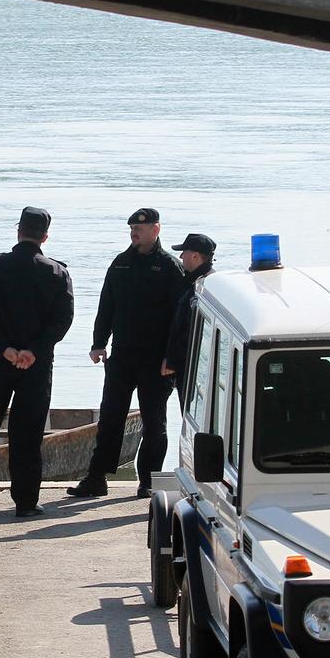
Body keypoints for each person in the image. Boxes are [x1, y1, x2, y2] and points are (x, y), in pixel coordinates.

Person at [0, 207, 74, 518]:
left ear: (18, 231)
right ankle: (25, 502)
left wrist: (4, 348)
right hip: (36, 365)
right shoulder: (57, 272)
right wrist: (34, 351)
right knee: (28, 433)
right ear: (45, 237)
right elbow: (62, 320)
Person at [68, 208, 185, 500]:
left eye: (141, 228)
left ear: (156, 230)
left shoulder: (170, 267)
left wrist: (171, 358)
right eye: (132, 227)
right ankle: (96, 478)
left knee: (154, 422)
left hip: (156, 361)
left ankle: (149, 481)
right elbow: (106, 306)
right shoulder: (121, 264)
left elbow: (179, 319)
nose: (135, 232)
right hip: (122, 356)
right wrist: (98, 343)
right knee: (110, 418)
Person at [162, 232, 216, 406]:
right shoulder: (196, 282)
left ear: (195, 255)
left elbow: (189, 330)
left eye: (183, 252)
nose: (180, 256)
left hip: (192, 366)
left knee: (190, 409)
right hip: (192, 364)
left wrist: (172, 361)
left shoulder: (201, 287)